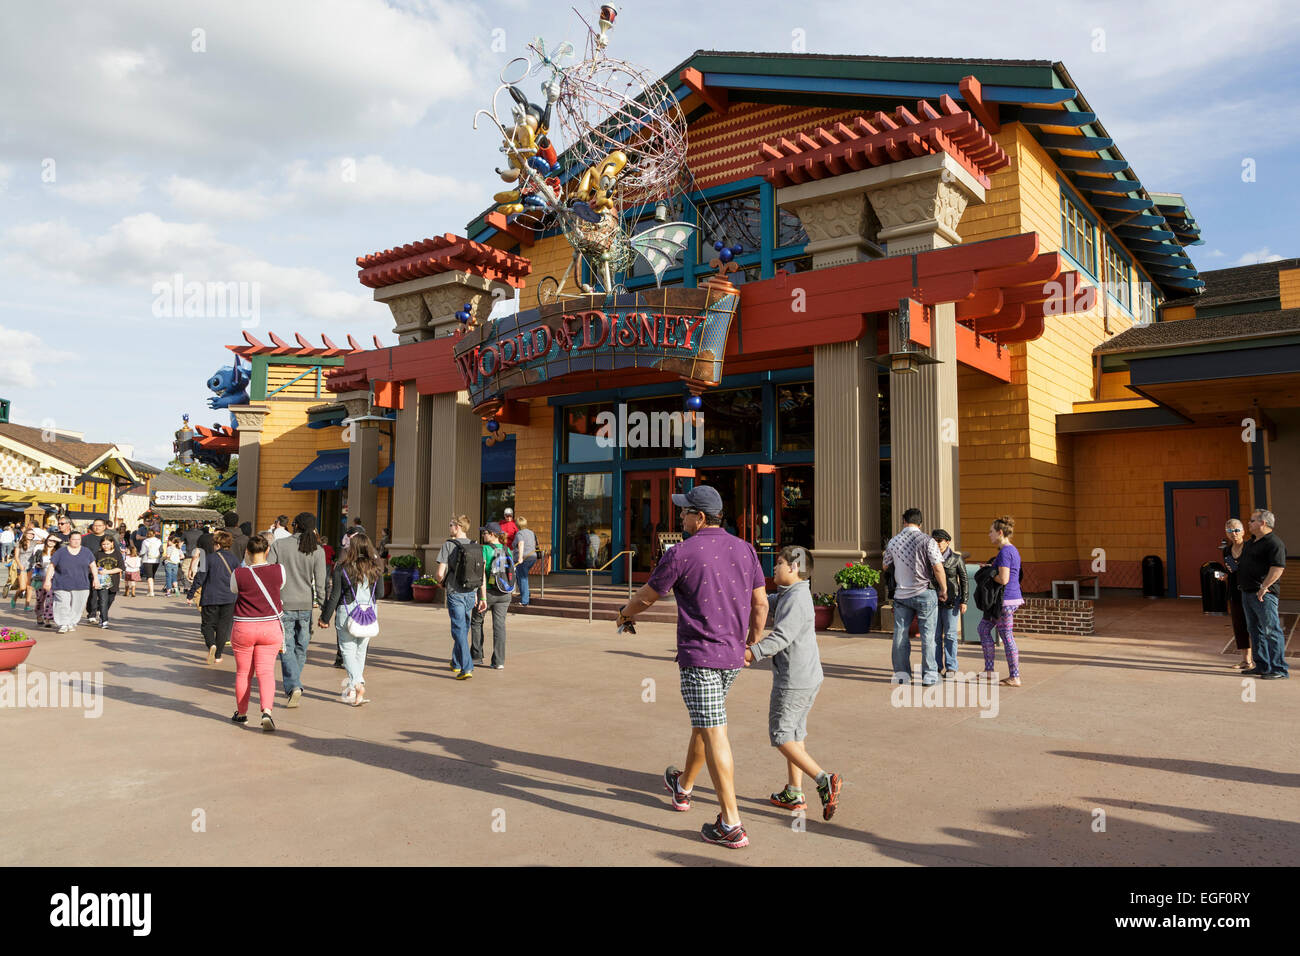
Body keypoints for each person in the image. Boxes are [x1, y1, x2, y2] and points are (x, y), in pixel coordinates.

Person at [617, 485, 768, 849]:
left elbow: (647, 597)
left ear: (700, 518)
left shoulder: (682, 552)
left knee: (714, 729)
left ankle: (731, 822)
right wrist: (750, 645)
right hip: (732, 657)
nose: (680, 517)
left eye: (684, 512)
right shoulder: (746, 549)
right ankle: (683, 786)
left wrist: (624, 613)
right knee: (704, 723)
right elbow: (761, 606)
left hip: (700, 656)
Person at [745, 546, 843, 821]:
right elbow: (767, 601)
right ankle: (793, 792)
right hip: (806, 676)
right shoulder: (792, 593)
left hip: (794, 680)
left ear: (794, 567)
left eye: (778, 563)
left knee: (781, 735)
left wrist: (752, 652)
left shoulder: (797, 599)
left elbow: (782, 637)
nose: (773, 568)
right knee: (796, 734)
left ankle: (824, 779)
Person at [882, 507, 948, 686]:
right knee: (928, 636)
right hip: (924, 592)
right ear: (921, 523)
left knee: (900, 636)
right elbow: (937, 567)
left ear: (904, 520)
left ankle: (902, 675)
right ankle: (929, 675)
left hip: (901, 595)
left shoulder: (893, 542)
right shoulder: (928, 540)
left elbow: (885, 566)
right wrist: (944, 589)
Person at [268, 512, 327, 708]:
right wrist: (324, 608)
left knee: (286, 647)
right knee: (301, 646)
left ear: (295, 525)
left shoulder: (279, 546)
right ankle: (295, 683)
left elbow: (268, 572)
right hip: (306, 604)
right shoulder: (317, 550)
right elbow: (320, 584)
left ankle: (293, 685)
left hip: (283, 603)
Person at [317, 531, 382, 706]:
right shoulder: (376, 568)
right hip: (368, 613)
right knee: (360, 652)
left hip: (347, 612)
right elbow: (381, 593)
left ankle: (356, 685)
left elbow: (335, 595)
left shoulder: (342, 568)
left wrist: (325, 617)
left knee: (347, 650)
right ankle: (356, 688)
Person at [228, 535, 285, 732]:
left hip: (244, 626)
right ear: (267, 550)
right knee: (266, 672)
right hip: (270, 628)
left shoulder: (239, 573)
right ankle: (267, 711)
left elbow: (234, 590)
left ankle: (242, 713)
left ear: (248, 552)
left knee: (244, 672)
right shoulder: (279, 570)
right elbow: (280, 587)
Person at [1239, 509, 1289, 679]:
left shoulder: (1274, 543)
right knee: (1255, 630)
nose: (1249, 523)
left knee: (1271, 630)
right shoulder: (1252, 542)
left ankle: (1279, 669)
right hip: (1247, 593)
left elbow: (1277, 568)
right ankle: (1261, 665)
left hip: (1263, 595)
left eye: (1252, 520)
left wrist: (1264, 587)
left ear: (1263, 523)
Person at [436, 515, 485, 680]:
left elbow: (439, 573)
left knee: (458, 630)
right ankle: (456, 662)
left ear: (457, 527)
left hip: (455, 593)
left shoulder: (448, 545)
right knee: (463, 628)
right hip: (471, 592)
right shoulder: (475, 546)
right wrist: (481, 596)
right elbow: (480, 573)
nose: (449, 528)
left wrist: (440, 582)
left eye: (451, 525)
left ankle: (467, 667)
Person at [979, 516, 1023, 686]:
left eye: (991, 532)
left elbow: (1003, 579)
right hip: (1009, 598)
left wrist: (988, 573)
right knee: (984, 628)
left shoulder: (1005, 552)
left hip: (1004, 600)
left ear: (1000, 532)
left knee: (1006, 635)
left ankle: (1014, 676)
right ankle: (989, 671)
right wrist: (990, 569)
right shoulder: (1012, 550)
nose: (989, 535)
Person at [187, 530, 239, 665]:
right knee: (223, 627)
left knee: (207, 625)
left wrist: (190, 594)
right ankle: (218, 655)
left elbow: (200, 578)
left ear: (217, 544)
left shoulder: (208, 558)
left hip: (211, 597)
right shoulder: (235, 560)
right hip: (229, 598)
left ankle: (211, 644)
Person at [470, 522, 513, 669]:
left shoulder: (485, 550)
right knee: (499, 626)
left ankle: (476, 657)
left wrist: (482, 597)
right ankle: (499, 661)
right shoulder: (508, 550)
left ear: (493, 534)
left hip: (487, 592)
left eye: (485, 533)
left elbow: (481, 574)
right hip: (505, 593)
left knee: (476, 622)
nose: (483, 535)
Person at [44, 530, 97, 634]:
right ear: (69, 540)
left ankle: (71, 622)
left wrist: (96, 578)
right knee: (62, 604)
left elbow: (93, 565)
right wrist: (47, 580)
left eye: (78, 539)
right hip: (61, 583)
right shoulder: (61, 552)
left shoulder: (87, 552)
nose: (76, 541)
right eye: (74, 539)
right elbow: (52, 566)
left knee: (78, 605)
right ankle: (63, 624)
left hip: (81, 584)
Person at [932, 529, 968, 678]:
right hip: (934, 601)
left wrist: (964, 601)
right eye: (934, 541)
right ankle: (936, 667)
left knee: (951, 635)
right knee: (934, 636)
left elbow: (964, 580)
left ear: (947, 542)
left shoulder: (956, 559)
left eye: (940, 541)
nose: (937, 544)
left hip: (952, 601)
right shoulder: (930, 558)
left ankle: (951, 667)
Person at [1218, 519, 1253, 671]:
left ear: (1244, 531)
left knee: (1255, 626)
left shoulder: (1250, 548)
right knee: (1239, 626)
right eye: (1230, 531)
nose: (1234, 534)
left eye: (1237, 530)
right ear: (1226, 533)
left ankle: (1261, 660)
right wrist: (1224, 576)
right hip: (1234, 592)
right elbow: (1232, 570)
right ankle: (1246, 660)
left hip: (1251, 591)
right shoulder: (1226, 551)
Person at [88, 534, 125, 628]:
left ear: (112, 543)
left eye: (107, 544)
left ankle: (102, 614)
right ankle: (104, 621)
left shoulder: (117, 554)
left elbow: (121, 568)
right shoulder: (97, 554)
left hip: (114, 581)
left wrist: (108, 571)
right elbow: (92, 566)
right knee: (103, 600)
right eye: (103, 544)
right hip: (102, 581)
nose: (105, 546)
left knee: (110, 600)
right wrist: (99, 570)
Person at [31, 537, 57, 627]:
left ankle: (47, 619)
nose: (51, 542)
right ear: (46, 541)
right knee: (40, 599)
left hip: (53, 578)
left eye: (54, 541)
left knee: (50, 599)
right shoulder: (39, 551)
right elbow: (33, 563)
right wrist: (37, 565)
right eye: (50, 540)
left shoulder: (58, 552)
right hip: (41, 577)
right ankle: (39, 615)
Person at [513, 516, 539, 606]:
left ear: (517, 525)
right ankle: (525, 593)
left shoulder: (519, 534)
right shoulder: (531, 532)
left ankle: (525, 601)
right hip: (532, 557)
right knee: (519, 576)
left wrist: (520, 557)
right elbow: (535, 544)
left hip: (523, 558)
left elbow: (521, 544)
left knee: (523, 578)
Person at [13, 529, 40, 611]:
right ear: (25, 534)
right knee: (22, 588)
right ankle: (14, 598)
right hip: (22, 567)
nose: (31, 535)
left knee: (29, 587)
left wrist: (36, 533)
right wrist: (20, 565)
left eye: (33, 534)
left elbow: (45, 540)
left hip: (30, 566)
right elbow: (16, 556)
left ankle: (27, 606)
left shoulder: (34, 542)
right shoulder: (19, 543)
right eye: (30, 533)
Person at [139, 529, 163, 597]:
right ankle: (150, 590)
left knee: (149, 576)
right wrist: (159, 556)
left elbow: (143, 552)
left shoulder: (145, 541)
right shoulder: (159, 541)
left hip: (147, 560)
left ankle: (151, 592)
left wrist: (139, 554)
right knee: (152, 575)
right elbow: (161, 550)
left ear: (147, 534)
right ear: (154, 534)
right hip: (156, 560)